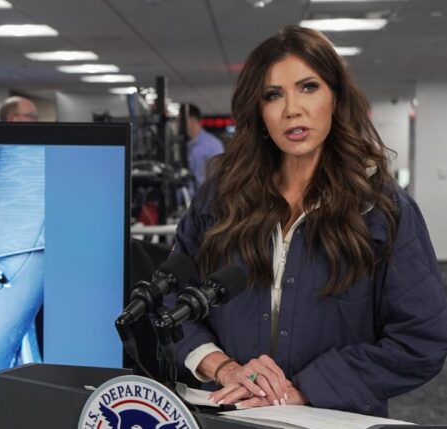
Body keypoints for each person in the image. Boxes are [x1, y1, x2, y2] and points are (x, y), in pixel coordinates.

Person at [168, 25, 447, 417]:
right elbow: (170, 300)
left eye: (308, 87)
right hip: (229, 416)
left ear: (336, 97)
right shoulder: (219, 201)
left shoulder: (383, 210)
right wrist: (224, 368)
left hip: (332, 420)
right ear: (258, 111)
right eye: (273, 95)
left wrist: (304, 390)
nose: (291, 109)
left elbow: (421, 339)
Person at [183, 104, 224, 188]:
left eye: (179, 120)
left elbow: (217, 177)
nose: (177, 124)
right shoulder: (186, 145)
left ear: (191, 120)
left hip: (204, 194)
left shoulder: (212, 144)